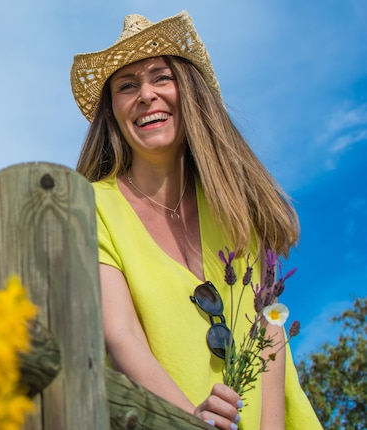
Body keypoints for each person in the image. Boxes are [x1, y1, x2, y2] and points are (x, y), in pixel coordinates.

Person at [70, 11, 321, 430]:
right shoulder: (92, 206)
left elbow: (268, 330)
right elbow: (121, 336)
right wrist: (188, 421)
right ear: (112, 112)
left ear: (188, 91)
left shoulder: (235, 202)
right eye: (127, 86)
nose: (146, 95)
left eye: (160, 77)